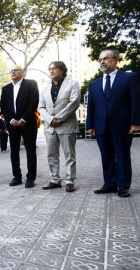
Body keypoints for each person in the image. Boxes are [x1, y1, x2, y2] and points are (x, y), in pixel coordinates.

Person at [86, 49, 140, 198]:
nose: (102, 62)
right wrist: (89, 125)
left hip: (122, 126)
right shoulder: (94, 84)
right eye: (100, 59)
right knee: (106, 156)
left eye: (106, 58)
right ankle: (109, 184)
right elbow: (91, 106)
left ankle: (123, 186)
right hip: (101, 126)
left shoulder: (129, 78)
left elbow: (135, 102)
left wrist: (135, 122)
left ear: (116, 60)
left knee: (122, 155)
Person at [38, 61, 80, 193]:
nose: (51, 71)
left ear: (62, 70)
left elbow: (74, 103)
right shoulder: (44, 88)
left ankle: (70, 181)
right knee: (51, 155)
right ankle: (55, 179)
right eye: (49, 69)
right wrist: (50, 119)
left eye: (54, 68)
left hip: (66, 124)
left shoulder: (73, 84)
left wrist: (59, 118)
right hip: (50, 127)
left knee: (69, 155)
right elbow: (41, 107)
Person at [0, 65, 40, 188]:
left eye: (16, 70)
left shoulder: (31, 84)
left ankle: (30, 178)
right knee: (14, 151)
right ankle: (17, 177)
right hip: (12, 125)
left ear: (22, 72)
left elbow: (34, 102)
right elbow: (4, 106)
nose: (13, 72)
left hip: (28, 123)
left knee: (30, 150)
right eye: (11, 71)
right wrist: (10, 119)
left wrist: (24, 119)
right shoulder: (6, 88)